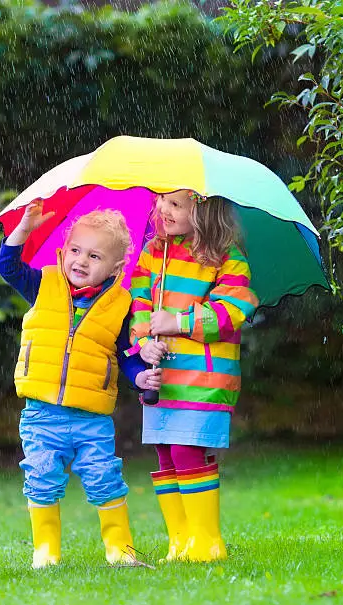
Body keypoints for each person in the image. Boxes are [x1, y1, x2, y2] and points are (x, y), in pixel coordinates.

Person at [0, 201, 161, 569]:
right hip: (42, 413)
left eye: (94, 256)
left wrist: (140, 377)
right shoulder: (44, 285)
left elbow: (126, 355)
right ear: (63, 249)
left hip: (92, 419)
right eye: (75, 250)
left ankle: (120, 550)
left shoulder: (121, 306)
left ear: (116, 268)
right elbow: (6, 266)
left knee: (105, 477)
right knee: (41, 478)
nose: (81, 261)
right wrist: (24, 228)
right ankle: (46, 552)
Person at [129, 190, 259, 563]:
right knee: (166, 451)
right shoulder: (154, 252)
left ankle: (208, 541)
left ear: (202, 212)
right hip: (162, 376)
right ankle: (181, 541)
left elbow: (231, 312)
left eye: (174, 204)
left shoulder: (227, 260)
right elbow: (139, 305)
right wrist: (143, 345)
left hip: (204, 377)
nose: (161, 209)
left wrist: (178, 322)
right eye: (161, 201)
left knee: (187, 448)